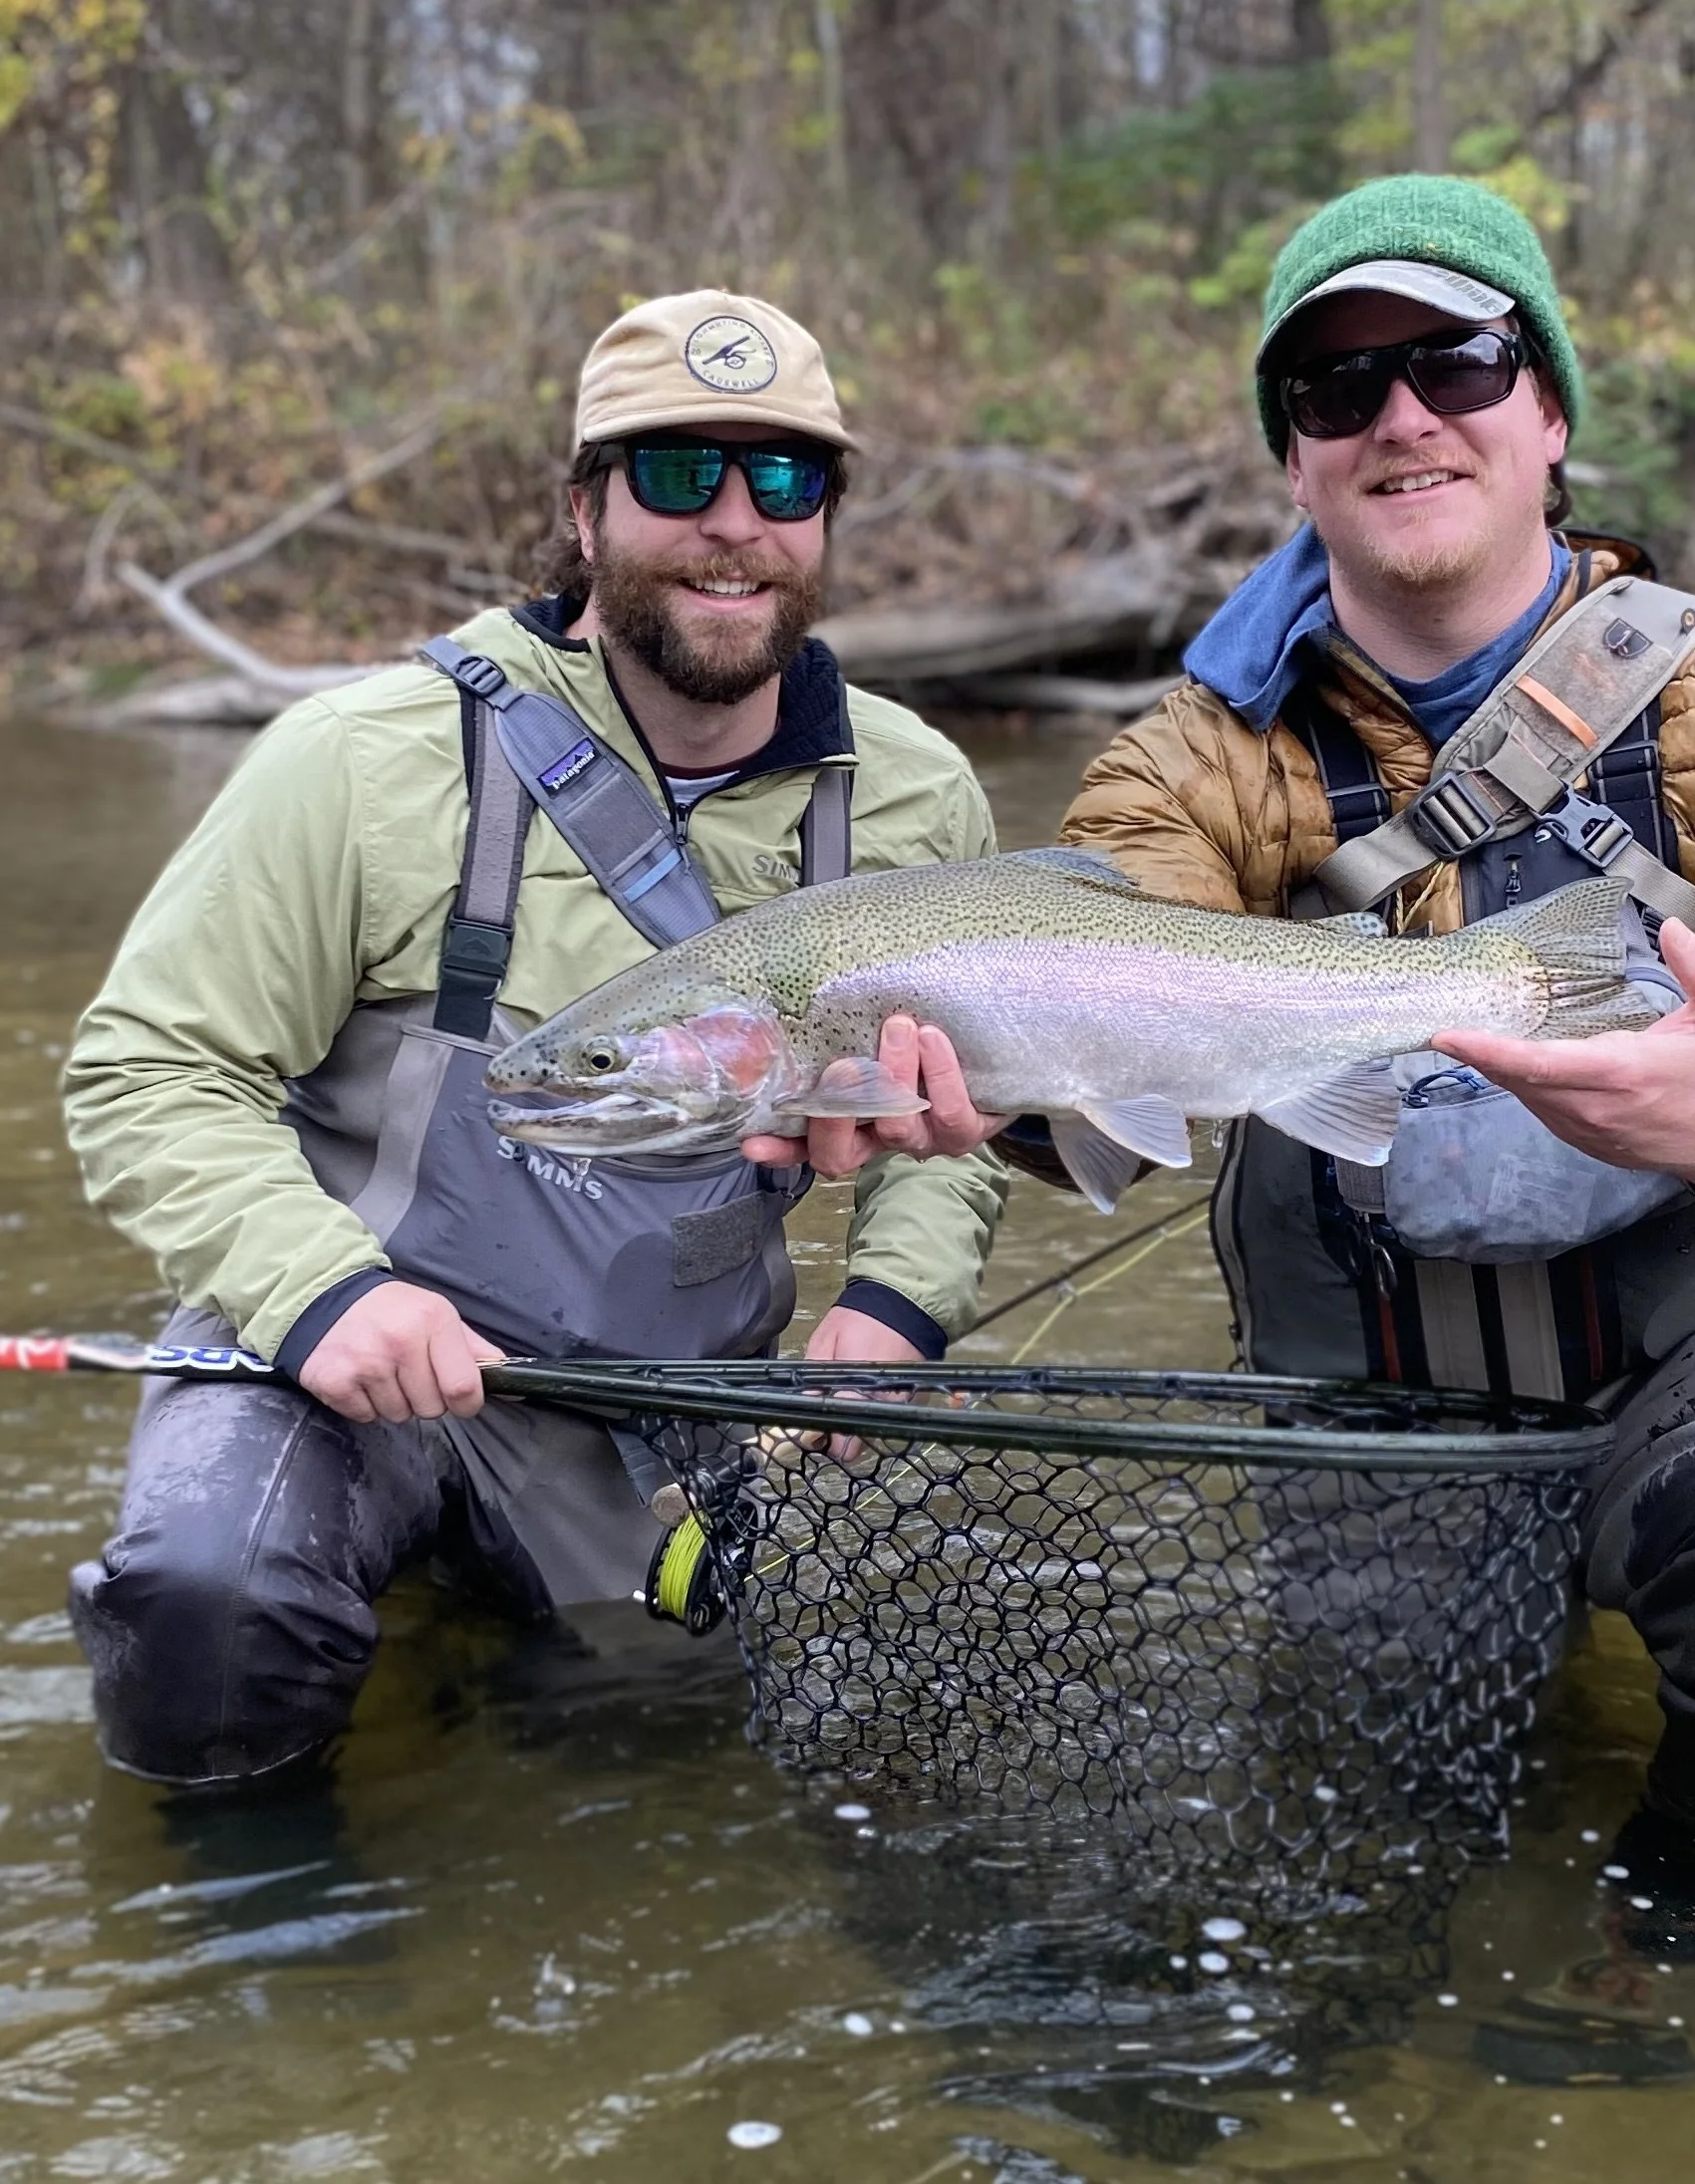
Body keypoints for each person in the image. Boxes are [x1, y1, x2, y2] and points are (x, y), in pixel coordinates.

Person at [1057, 172, 1695, 1857]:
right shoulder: (1191, 762)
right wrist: (978, 1101)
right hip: (1370, 1385)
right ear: (1296, 453)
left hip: (1688, 1335)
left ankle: (1675, 1961)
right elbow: (1090, 1037)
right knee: (1385, 1821)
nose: (1400, 417)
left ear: (1548, 405)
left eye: (1459, 363)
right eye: (1338, 388)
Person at [64, 290, 1007, 1788]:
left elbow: (971, 1112)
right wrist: (319, 1296)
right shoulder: (359, 760)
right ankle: (275, 1959)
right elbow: (148, 1068)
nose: (735, 525)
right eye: (680, 474)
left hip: (659, 1401)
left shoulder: (910, 798)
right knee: (210, 1610)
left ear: (826, 520)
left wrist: (896, 1300)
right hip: (342, 1352)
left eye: (785, 479)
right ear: (585, 509)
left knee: (646, 1773)